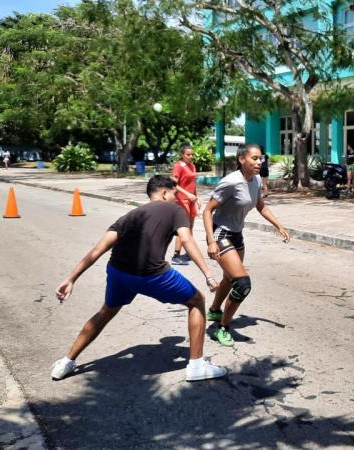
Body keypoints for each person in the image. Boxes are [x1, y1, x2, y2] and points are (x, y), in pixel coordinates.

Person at [50, 175, 226, 382]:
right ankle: (197, 365)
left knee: (106, 311)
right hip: (152, 275)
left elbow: (98, 249)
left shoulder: (131, 215)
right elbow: (186, 239)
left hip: (119, 272)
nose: (177, 199)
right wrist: (208, 273)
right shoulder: (175, 210)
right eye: (175, 195)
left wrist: (71, 278)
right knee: (197, 301)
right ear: (164, 193)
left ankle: (66, 362)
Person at [202, 144, 290, 347]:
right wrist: (210, 241)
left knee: (229, 277)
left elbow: (261, 206)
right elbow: (207, 211)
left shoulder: (256, 180)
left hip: (236, 233)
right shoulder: (230, 182)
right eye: (255, 158)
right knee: (242, 284)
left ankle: (215, 310)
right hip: (221, 232)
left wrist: (279, 225)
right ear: (242, 159)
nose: (260, 162)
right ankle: (222, 328)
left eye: (261, 159)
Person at [170, 144, 200, 266]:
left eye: (192, 154)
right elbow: (173, 185)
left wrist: (197, 198)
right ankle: (176, 255)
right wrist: (187, 194)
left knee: (190, 227)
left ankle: (188, 252)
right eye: (188, 154)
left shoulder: (192, 166)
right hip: (181, 200)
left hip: (191, 200)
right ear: (182, 155)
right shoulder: (178, 166)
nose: (191, 156)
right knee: (183, 228)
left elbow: (192, 183)